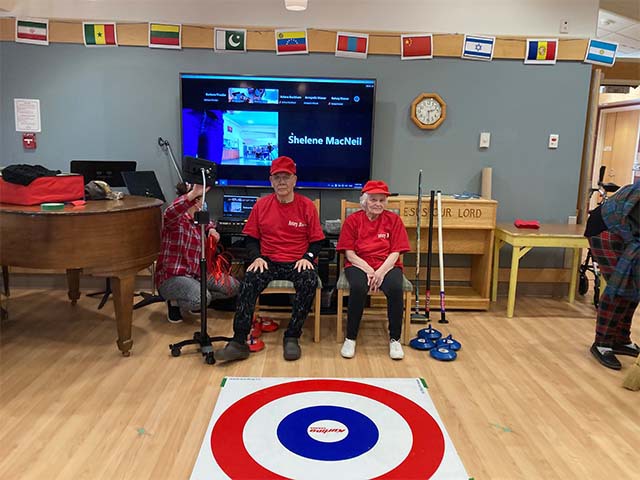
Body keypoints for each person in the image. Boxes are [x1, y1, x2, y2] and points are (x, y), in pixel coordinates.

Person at [214, 156, 325, 362]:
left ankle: (292, 336)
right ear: (271, 181)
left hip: (297, 261)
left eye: (286, 177)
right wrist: (256, 257)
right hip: (268, 260)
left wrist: (307, 257)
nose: (281, 182)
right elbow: (251, 239)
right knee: (249, 280)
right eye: (277, 177)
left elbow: (318, 241)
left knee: (309, 280)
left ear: (294, 180)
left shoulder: (307, 206)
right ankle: (239, 341)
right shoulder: (261, 205)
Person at [336, 180, 411, 360]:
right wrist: (368, 269)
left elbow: (396, 252)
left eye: (382, 200)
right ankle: (351, 338)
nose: (378, 204)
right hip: (358, 264)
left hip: (387, 264)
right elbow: (349, 252)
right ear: (365, 201)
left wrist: (380, 272)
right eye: (373, 200)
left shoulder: (393, 220)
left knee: (394, 288)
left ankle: (395, 339)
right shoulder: (353, 220)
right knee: (359, 287)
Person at [156, 183, 240, 323]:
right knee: (200, 299)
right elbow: (171, 211)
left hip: (197, 275)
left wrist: (212, 229)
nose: (204, 203)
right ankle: (174, 302)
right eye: (202, 200)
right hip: (173, 277)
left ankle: (200, 296)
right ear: (195, 201)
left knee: (233, 287)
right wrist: (192, 194)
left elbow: (209, 223)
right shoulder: (176, 221)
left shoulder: (198, 220)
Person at [585, 180, 640, 370]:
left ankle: (621, 339)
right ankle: (602, 343)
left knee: (635, 287)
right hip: (605, 230)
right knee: (620, 286)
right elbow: (633, 225)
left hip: (629, 233)